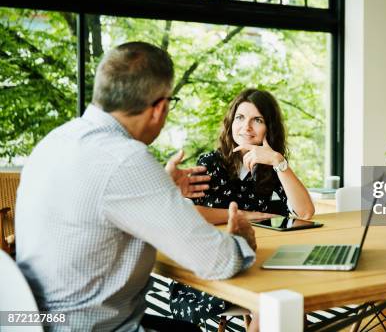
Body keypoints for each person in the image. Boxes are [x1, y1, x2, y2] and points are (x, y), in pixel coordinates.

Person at [15, 42, 257, 332]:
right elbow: (219, 261)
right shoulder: (125, 160)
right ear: (159, 108)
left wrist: (161, 187)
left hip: (30, 319)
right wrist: (242, 242)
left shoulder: (55, 141)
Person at [169, 88, 315, 325]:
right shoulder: (212, 162)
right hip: (214, 265)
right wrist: (249, 215)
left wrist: (279, 162)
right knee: (272, 301)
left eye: (257, 120)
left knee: (286, 299)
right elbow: (194, 212)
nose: (246, 127)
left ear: (269, 128)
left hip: (264, 262)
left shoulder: (272, 166)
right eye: (240, 118)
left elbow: (305, 212)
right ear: (231, 123)